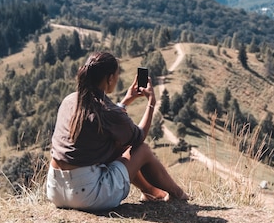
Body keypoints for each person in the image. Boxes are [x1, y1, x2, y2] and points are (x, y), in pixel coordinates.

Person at [47, 51, 189, 211]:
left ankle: (150, 192)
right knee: (142, 150)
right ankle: (178, 194)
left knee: (118, 145)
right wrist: (151, 104)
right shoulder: (107, 111)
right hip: (87, 196)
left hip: (55, 190)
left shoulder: (70, 100)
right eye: (117, 74)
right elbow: (138, 137)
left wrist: (126, 100)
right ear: (109, 78)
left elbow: (106, 122)